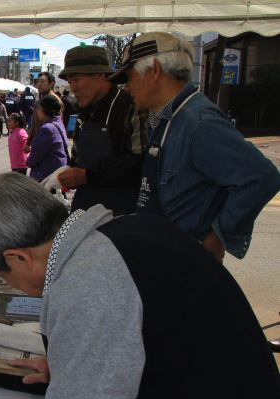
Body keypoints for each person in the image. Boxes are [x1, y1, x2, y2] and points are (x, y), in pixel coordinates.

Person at [0, 173, 279, 399]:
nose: (9, 284)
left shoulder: (85, 280)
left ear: (19, 258)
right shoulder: (127, 228)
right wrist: (76, 363)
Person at [108, 32, 280, 262]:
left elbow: (261, 177)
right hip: (162, 252)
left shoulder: (198, 122)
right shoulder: (167, 119)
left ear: (155, 70)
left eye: (130, 76)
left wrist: (218, 235)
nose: (127, 87)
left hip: (185, 261)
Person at [57, 45, 148, 215]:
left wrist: (87, 176)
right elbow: (78, 158)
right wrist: (66, 171)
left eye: (76, 79)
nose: (72, 87)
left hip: (121, 212)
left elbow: (141, 162)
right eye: (69, 81)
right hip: (85, 209)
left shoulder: (130, 106)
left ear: (100, 75)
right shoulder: (83, 113)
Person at [27, 95, 69, 183]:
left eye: (38, 109)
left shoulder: (47, 128)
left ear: (43, 110)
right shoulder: (58, 122)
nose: (37, 112)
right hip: (57, 173)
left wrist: (28, 161)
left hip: (46, 176)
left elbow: (34, 157)